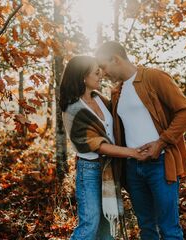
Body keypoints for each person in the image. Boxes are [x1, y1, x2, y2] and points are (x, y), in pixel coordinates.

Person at [95, 41, 186, 240]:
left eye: (104, 67)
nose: (104, 74)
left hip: (160, 164)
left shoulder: (153, 77)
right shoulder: (117, 92)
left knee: (169, 229)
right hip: (133, 169)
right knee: (146, 228)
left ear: (115, 59)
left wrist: (161, 143)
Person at [59, 55, 147, 240]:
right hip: (89, 171)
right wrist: (132, 152)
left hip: (109, 169)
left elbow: (117, 117)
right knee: (89, 224)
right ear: (83, 77)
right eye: (96, 72)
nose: (101, 75)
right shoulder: (73, 109)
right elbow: (98, 145)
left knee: (106, 227)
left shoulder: (98, 98)